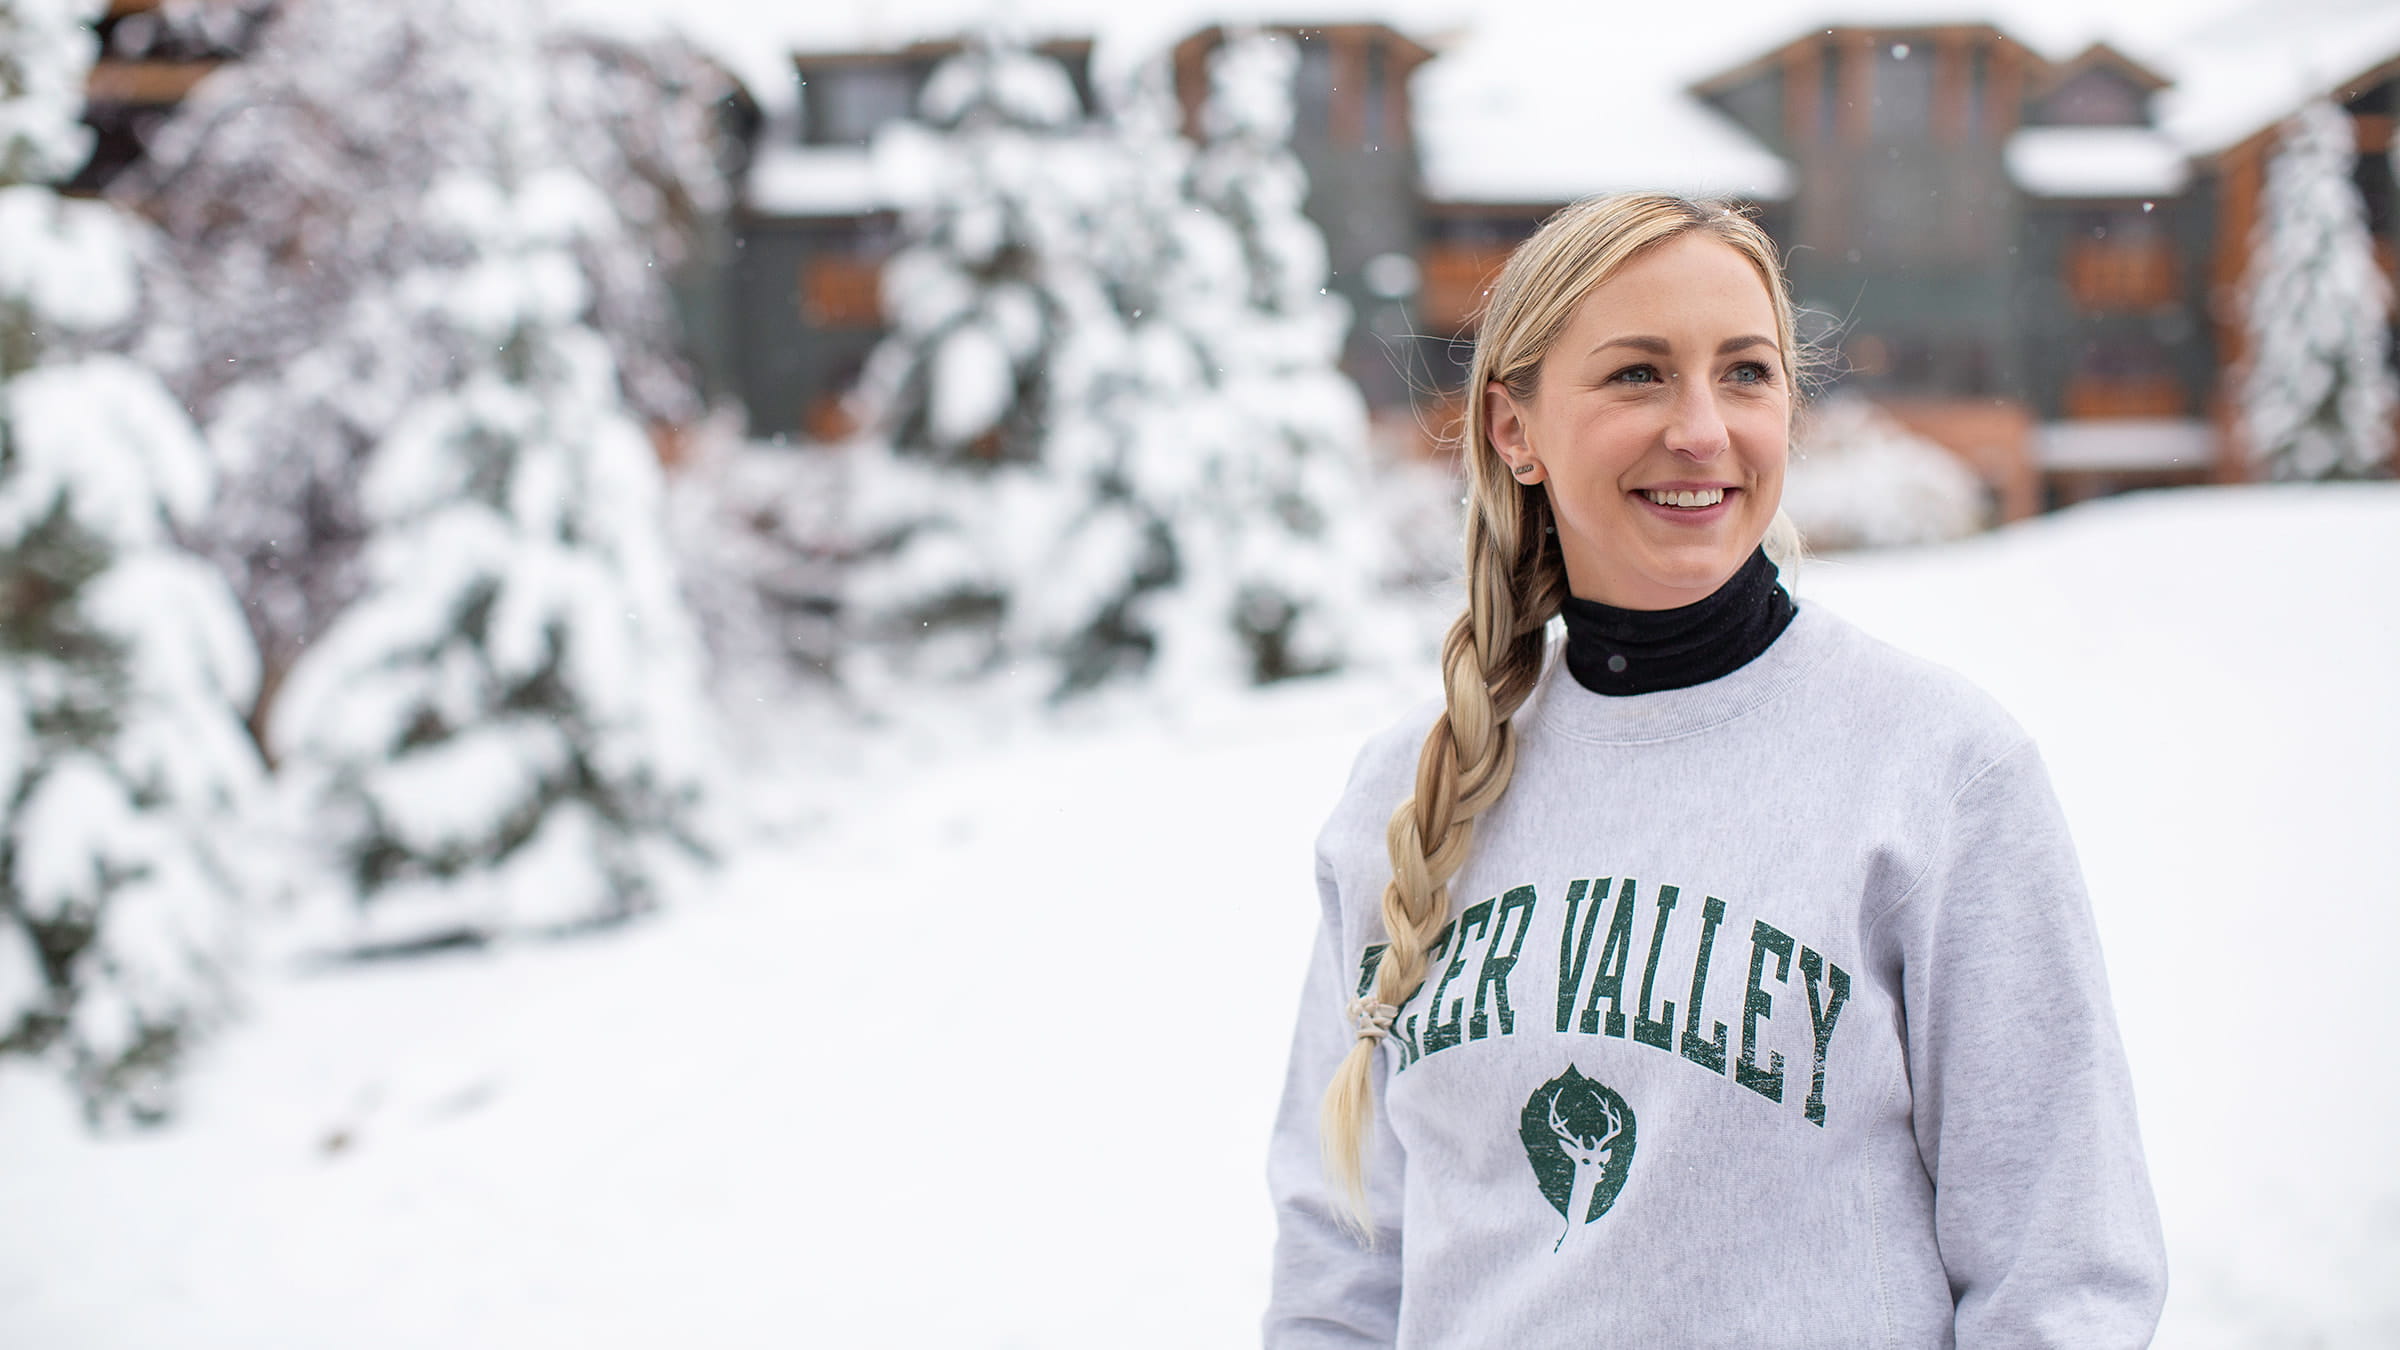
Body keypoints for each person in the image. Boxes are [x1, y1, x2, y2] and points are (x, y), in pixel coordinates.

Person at [1263, 193, 2166, 1347]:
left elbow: (2063, 1272)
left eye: (1745, 374)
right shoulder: (1408, 792)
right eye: (1638, 374)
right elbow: (1338, 1273)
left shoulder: (1938, 771)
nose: (1702, 430)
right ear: (1513, 428)